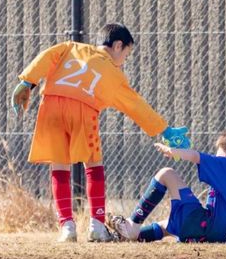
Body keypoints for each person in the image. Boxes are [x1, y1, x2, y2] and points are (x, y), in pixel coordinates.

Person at [11, 23, 188, 242]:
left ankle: (67, 226)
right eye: (126, 54)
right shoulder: (113, 74)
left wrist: (27, 81)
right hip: (83, 111)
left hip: (51, 106)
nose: (124, 61)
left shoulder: (70, 47)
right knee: (93, 164)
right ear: (117, 46)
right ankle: (96, 224)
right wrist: (165, 130)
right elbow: (136, 106)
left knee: (59, 165)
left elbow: (46, 57)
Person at [109, 130, 226, 243]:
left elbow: (195, 156)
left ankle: (131, 226)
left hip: (204, 227)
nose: (216, 156)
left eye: (217, 151)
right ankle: (127, 237)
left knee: (166, 173)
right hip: (219, 238)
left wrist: (172, 151)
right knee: (168, 224)